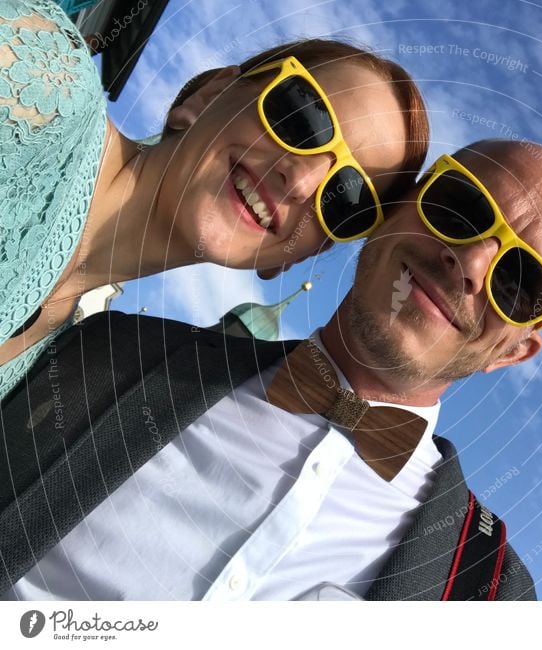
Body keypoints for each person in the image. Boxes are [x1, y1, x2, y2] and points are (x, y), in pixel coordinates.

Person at [0, 139, 542, 600]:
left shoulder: (488, 595)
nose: (469, 263)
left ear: (513, 350)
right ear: (396, 209)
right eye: (463, 209)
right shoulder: (109, 350)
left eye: (521, 282)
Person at [0, 0, 429, 399]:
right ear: (208, 96)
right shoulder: (34, 84)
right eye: (302, 119)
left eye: (347, 200)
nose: (300, 181)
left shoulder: (58, 360)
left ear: (295, 256)